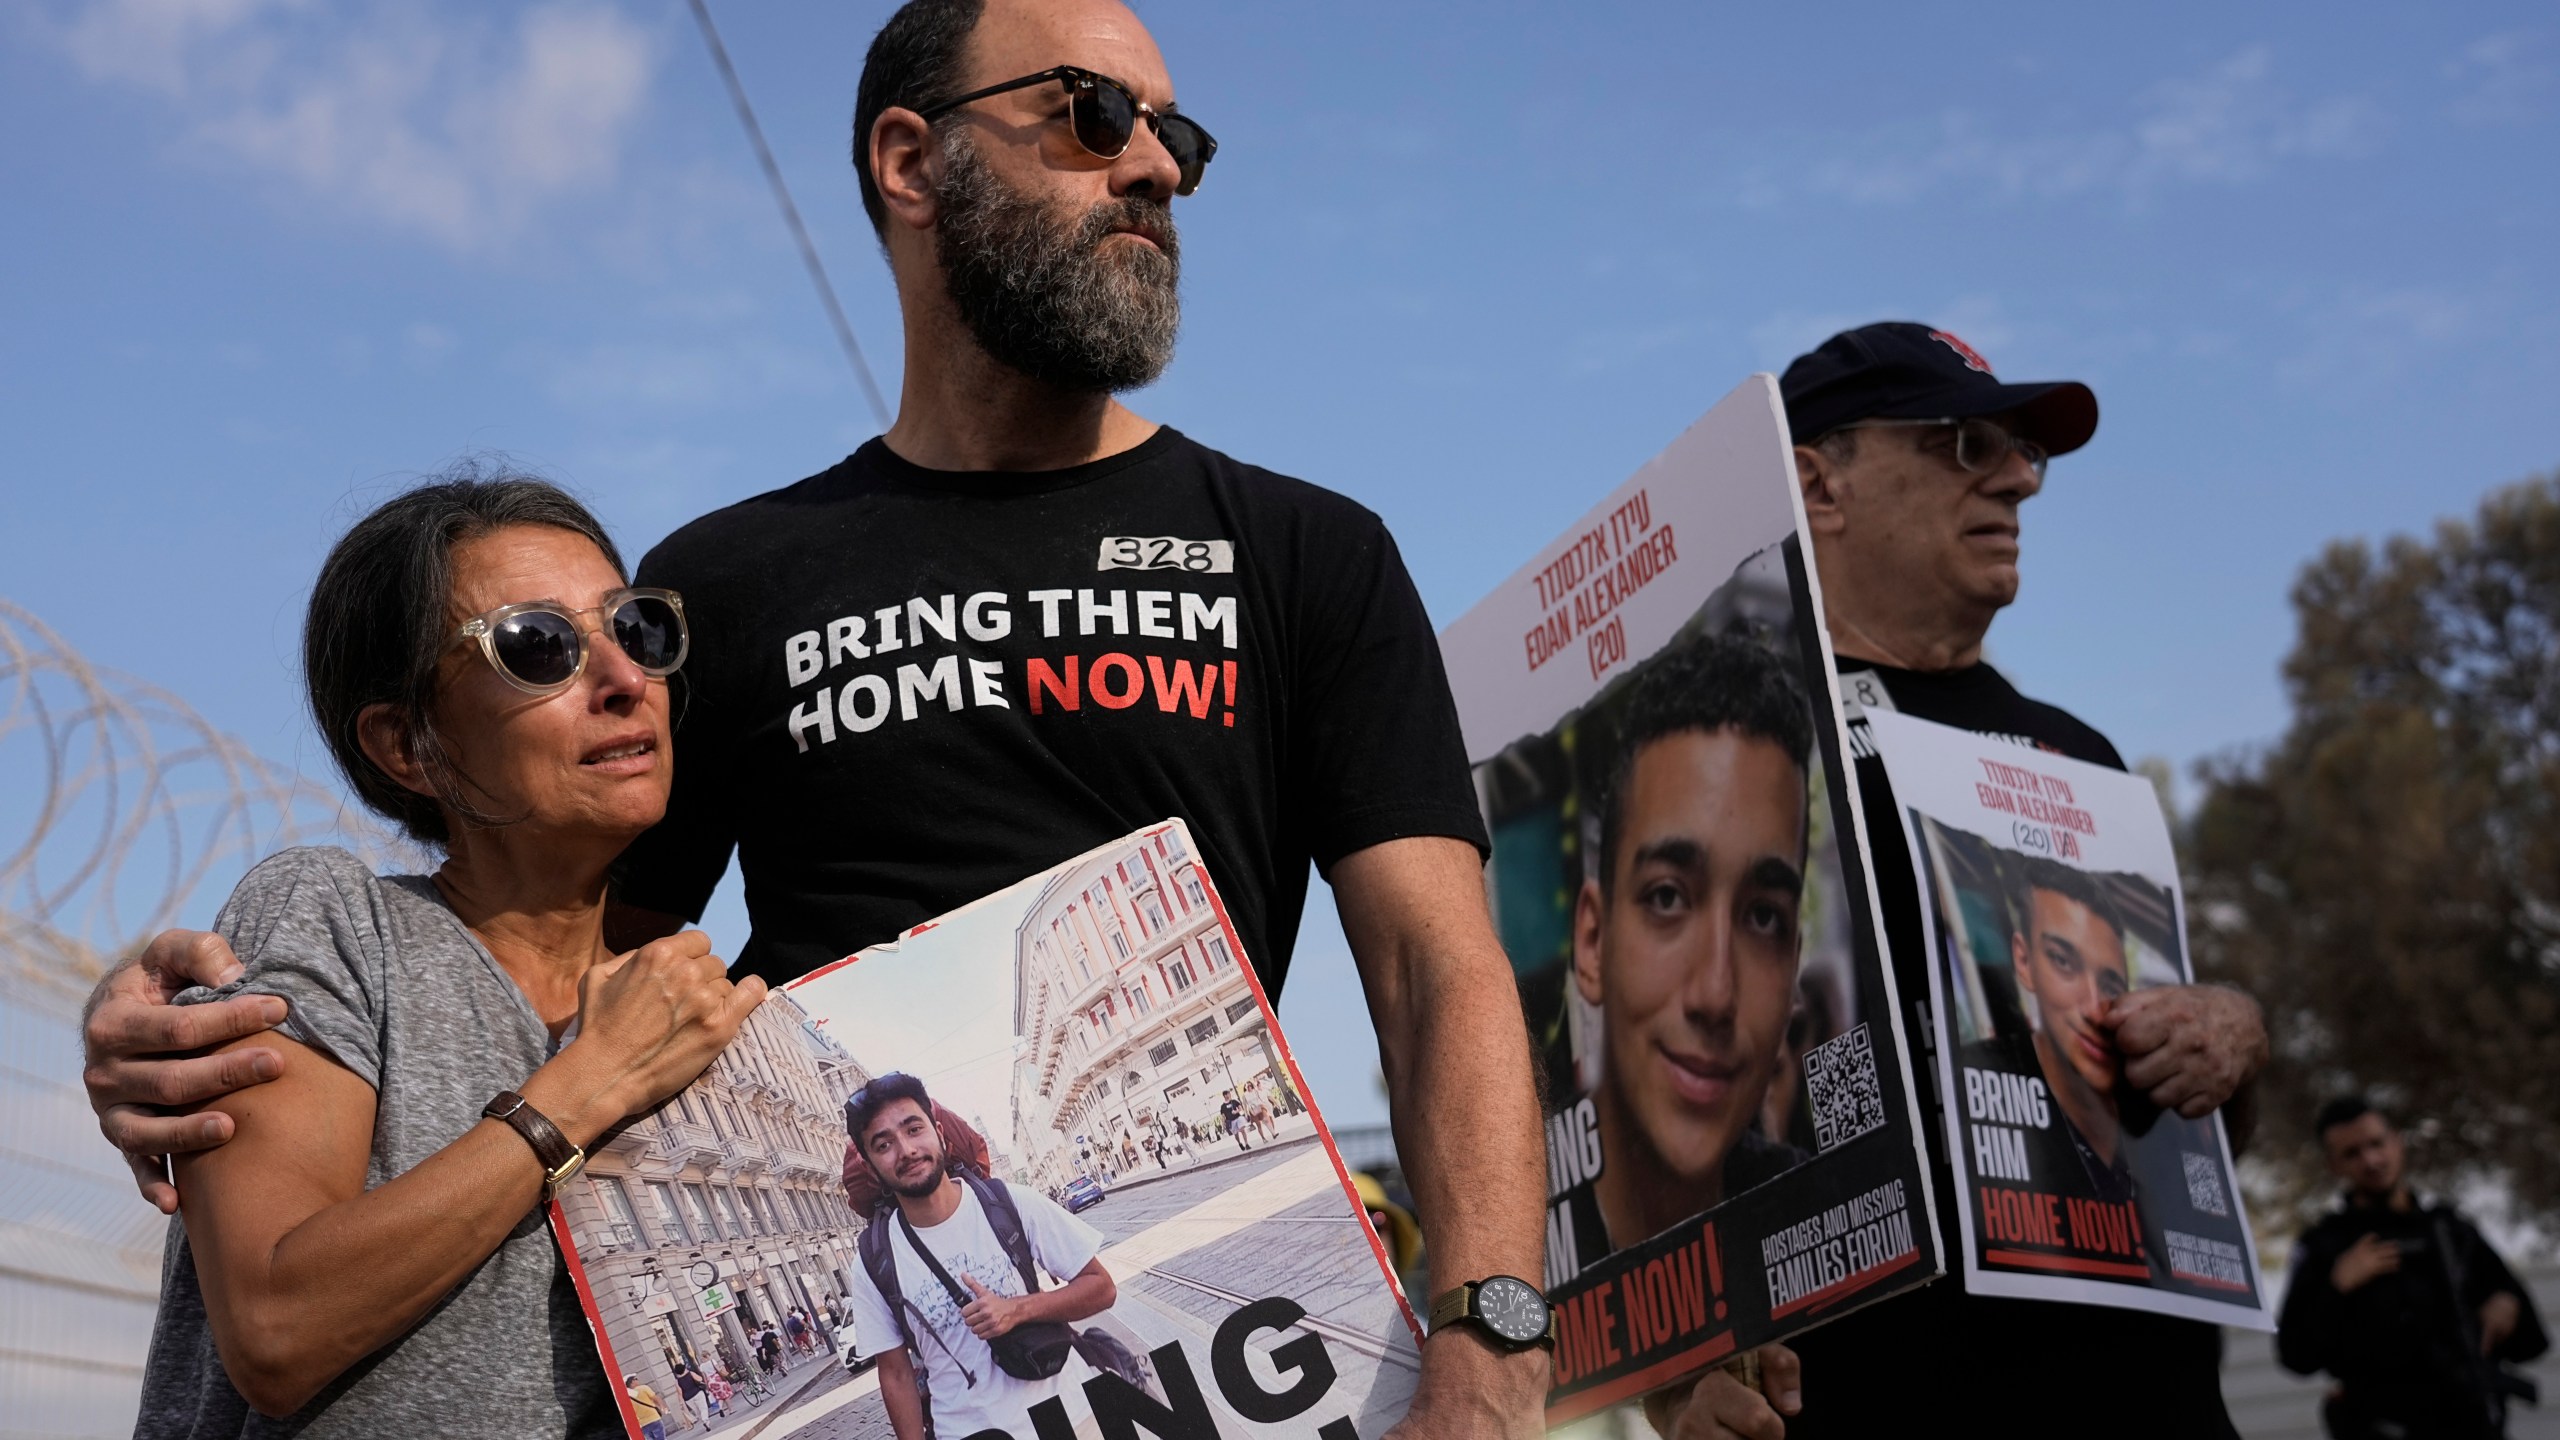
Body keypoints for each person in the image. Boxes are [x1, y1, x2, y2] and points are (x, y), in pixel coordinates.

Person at [83, 2, 1549, 1434]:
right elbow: (555, 953)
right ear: (911, 163)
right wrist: (202, 1048)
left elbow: (1436, 972)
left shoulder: (1305, 554)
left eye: (1179, 137)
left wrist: (1491, 1342)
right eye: (1094, 114)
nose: (1154, 165)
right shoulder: (720, 586)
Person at [123, 474, 762, 1437]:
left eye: (636, 630)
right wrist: (585, 1086)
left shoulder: (689, 1015)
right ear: (407, 746)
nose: (625, 679)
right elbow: (274, 1327)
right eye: (538, 647)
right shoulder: (336, 920)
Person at [1726, 321, 2271, 1440]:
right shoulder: (1724, 749)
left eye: (2023, 449)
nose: (2020, 477)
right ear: (1814, 485)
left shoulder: (2079, 757)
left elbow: (2183, 1126)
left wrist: (2226, 1031)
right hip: (1867, 1394)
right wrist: (1673, 1372)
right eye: (1963, 443)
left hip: (2144, 1393)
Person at [1556, 636, 1814, 1290]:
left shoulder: (1825, 1235)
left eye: (1763, 918)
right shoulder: (1505, 1256)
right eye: (1667, 898)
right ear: (1592, 941)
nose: (1716, 993)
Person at [843, 1073, 1117, 1439]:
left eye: (913, 1129)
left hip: (1074, 1415)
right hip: (969, 1432)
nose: (906, 1151)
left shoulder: (1010, 1202)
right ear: (871, 1165)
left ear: (938, 1132)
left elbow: (1101, 1287)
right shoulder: (875, 1259)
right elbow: (895, 1374)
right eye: (883, 1145)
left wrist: (1017, 1309)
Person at [2279, 1097, 2549, 1439]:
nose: (2371, 1160)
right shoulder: (2325, 1246)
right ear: (2334, 1165)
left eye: (2376, 1144)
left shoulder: (2450, 1232)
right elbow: (2296, 1355)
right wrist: (2337, 1287)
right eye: (2352, 1153)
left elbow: (2532, 1342)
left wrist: (2507, 1304)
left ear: (2397, 1142)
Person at [672, 1354, 712, 1430]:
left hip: (688, 1398)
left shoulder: (677, 1381)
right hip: (697, 1393)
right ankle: (705, 1420)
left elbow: (680, 1393)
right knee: (703, 1408)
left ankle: (704, 1422)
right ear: (684, 1369)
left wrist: (681, 1403)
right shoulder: (690, 1373)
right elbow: (700, 1379)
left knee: (697, 1411)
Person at [627, 1375, 670, 1440]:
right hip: (654, 1418)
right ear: (632, 1382)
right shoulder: (643, 1388)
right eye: (636, 1379)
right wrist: (663, 1407)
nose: (638, 1380)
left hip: (643, 1424)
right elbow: (655, 1398)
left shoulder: (628, 1397)